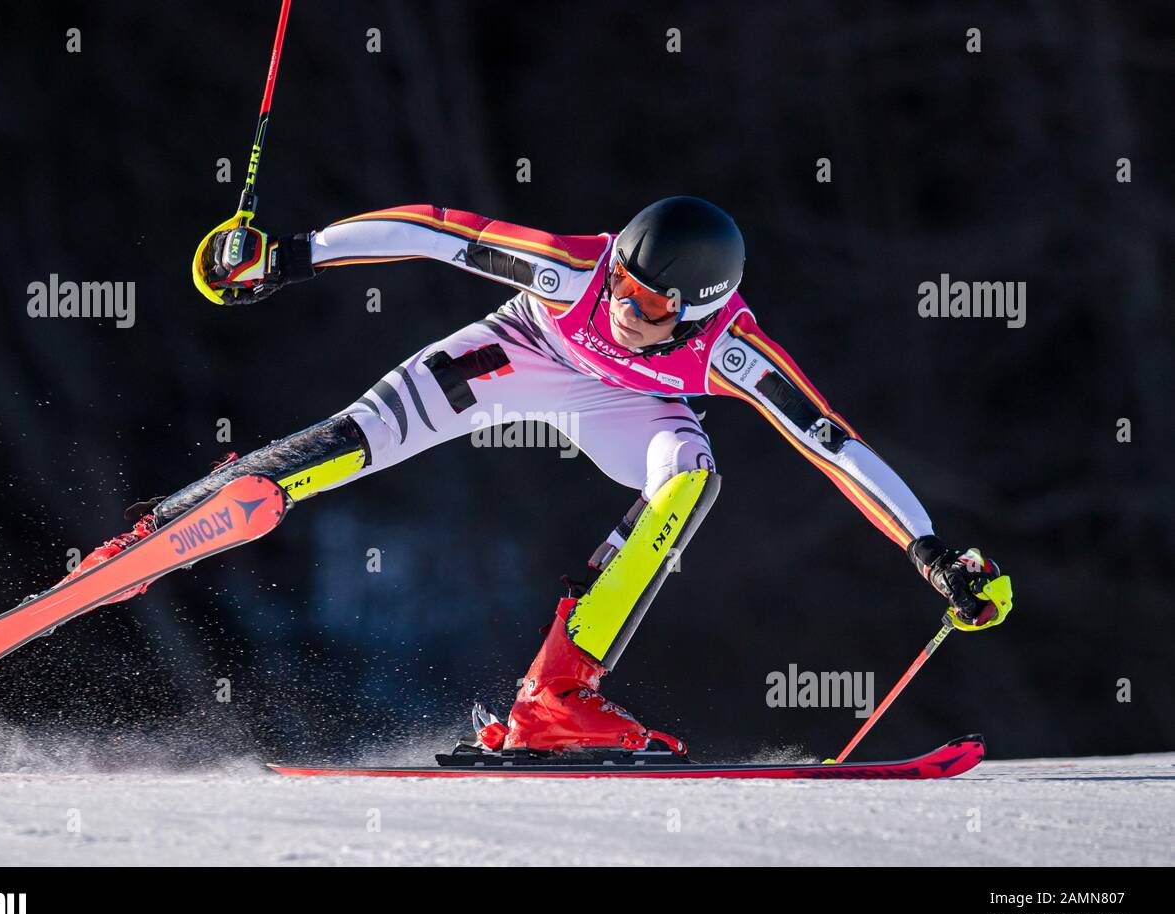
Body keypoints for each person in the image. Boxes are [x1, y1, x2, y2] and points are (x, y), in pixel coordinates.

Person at [66, 196, 1012, 755]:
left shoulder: (734, 355)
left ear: (700, 312)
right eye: (624, 282)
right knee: (357, 439)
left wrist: (931, 552)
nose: (623, 302)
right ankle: (156, 534)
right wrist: (290, 259)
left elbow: (831, 442)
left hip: (628, 409)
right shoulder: (573, 275)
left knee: (690, 472)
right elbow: (435, 227)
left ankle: (554, 702)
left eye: (647, 301)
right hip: (518, 352)